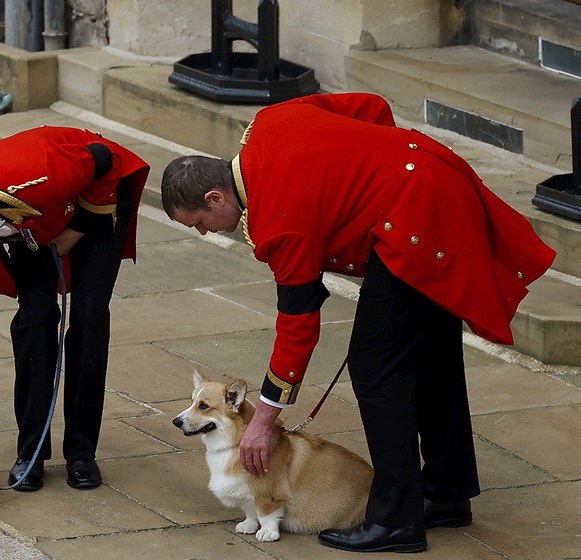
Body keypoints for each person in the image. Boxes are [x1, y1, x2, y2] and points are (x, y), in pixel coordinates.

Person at [160, 92, 556, 553]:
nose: (206, 232)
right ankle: (446, 494)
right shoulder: (268, 123)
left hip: (414, 224)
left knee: (376, 371)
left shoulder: (278, 223)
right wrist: (377, 167)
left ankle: (396, 520)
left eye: (202, 222)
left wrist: (263, 420)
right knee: (431, 354)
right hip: (433, 177)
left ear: (215, 195)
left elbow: (298, 326)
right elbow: (370, 107)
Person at [0, 125, 149, 492]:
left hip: (94, 197)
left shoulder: (43, 173)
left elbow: (105, 161)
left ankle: (82, 454)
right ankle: (31, 453)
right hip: (33, 225)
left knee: (89, 317)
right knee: (35, 319)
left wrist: (78, 229)